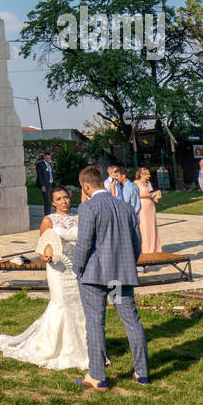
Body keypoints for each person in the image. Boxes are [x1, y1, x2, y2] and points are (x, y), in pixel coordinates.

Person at [0, 187, 89, 370]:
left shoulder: (79, 218)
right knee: (61, 304)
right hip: (58, 270)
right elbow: (43, 246)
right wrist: (46, 256)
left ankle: (82, 349)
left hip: (76, 269)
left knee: (78, 306)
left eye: (65, 198)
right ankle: (52, 347)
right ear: (53, 202)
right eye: (59, 199)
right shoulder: (49, 220)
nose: (64, 201)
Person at [72, 165, 148, 390]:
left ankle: (97, 375)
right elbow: (137, 243)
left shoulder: (88, 207)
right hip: (120, 276)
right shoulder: (125, 207)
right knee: (131, 321)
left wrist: (77, 268)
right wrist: (128, 264)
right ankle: (141, 372)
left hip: (95, 276)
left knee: (95, 323)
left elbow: (84, 243)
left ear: (86, 186)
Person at [135, 168, 162, 254]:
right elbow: (139, 194)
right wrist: (152, 194)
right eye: (147, 174)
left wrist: (157, 196)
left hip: (150, 206)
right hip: (142, 206)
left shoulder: (148, 183)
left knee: (152, 226)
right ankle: (145, 248)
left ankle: (154, 247)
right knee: (144, 227)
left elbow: (152, 195)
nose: (149, 176)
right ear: (141, 174)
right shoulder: (136, 183)